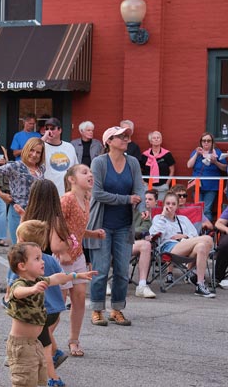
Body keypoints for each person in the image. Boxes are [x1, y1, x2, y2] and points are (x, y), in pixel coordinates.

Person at [1, 241, 95, 387]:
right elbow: (18, 292)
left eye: (41, 257)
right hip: (20, 343)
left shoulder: (39, 280)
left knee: (33, 374)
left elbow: (57, 278)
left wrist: (76, 275)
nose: (42, 261)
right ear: (22, 266)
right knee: (26, 378)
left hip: (33, 341)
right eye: (37, 259)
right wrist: (32, 289)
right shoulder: (20, 284)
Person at [85, 126, 145, 327]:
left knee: (121, 271)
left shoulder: (133, 162)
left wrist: (142, 207)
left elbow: (139, 188)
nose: (126, 139)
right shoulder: (99, 162)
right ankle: (96, 309)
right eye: (120, 136)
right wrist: (127, 199)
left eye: (127, 136)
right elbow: (97, 193)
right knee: (100, 270)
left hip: (124, 225)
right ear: (109, 141)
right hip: (101, 225)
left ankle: (117, 310)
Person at [10, 220, 70, 387]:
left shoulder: (22, 265)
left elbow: (14, 287)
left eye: (17, 238)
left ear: (23, 242)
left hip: (40, 312)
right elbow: (60, 279)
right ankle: (57, 352)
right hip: (55, 310)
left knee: (43, 346)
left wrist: (9, 298)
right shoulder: (50, 259)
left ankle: (54, 378)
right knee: (45, 337)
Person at [59, 165, 109, 357]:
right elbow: (56, 225)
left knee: (79, 298)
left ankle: (74, 340)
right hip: (63, 257)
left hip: (78, 254)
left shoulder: (87, 199)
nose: (90, 175)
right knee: (58, 303)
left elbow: (76, 229)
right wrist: (62, 251)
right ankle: (43, 341)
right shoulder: (67, 199)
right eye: (84, 172)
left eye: (91, 172)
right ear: (71, 179)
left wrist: (92, 234)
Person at [149, 192, 216, 298]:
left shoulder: (183, 219)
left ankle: (200, 285)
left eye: (173, 204)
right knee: (207, 239)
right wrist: (163, 215)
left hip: (187, 247)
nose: (170, 206)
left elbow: (194, 235)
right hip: (169, 249)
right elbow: (153, 233)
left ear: (177, 206)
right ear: (164, 205)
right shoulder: (158, 218)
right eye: (168, 203)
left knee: (202, 246)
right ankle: (192, 274)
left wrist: (184, 236)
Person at [0, 137, 46, 246]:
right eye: (32, 150)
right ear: (26, 150)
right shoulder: (16, 166)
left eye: (38, 152)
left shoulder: (41, 169)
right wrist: (0, 194)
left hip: (37, 214)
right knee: (20, 248)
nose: (34, 154)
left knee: (36, 248)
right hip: (18, 213)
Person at [186, 132, 223, 222]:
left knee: (206, 210)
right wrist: (196, 154)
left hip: (211, 186)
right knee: (198, 209)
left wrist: (215, 162)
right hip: (198, 185)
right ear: (201, 142)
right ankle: (198, 230)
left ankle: (207, 231)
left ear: (212, 142)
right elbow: (189, 165)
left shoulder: (217, 152)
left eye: (208, 141)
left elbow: (225, 168)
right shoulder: (196, 152)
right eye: (204, 141)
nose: (206, 143)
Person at [39, 117, 77, 195]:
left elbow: (75, 168)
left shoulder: (69, 146)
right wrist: (44, 138)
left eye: (52, 128)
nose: (49, 131)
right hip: (48, 192)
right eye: (47, 129)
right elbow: (30, 149)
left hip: (66, 192)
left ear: (60, 130)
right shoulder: (41, 147)